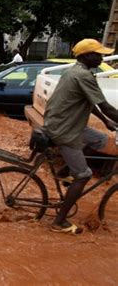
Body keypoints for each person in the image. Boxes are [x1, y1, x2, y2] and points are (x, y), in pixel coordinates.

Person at [43, 38, 117, 235]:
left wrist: (105, 121)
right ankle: (59, 222)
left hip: (64, 123)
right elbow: (106, 106)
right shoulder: (84, 76)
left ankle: (64, 172)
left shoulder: (73, 71)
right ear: (86, 56)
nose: (102, 57)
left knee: (99, 140)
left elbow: (90, 103)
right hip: (65, 129)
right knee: (84, 175)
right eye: (98, 54)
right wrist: (109, 116)